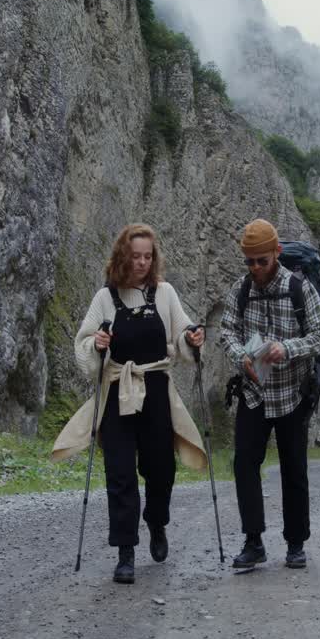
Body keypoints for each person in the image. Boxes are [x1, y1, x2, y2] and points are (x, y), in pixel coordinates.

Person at [52, 223, 207, 584]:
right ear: (123, 256)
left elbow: (183, 334)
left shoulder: (164, 293)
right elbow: (83, 344)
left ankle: (156, 521)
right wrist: (97, 345)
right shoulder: (104, 297)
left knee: (161, 468)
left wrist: (192, 338)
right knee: (119, 473)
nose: (141, 263)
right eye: (135, 256)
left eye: (147, 257)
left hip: (155, 389)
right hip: (117, 390)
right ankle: (125, 552)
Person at [218, 218, 320, 569]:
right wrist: (241, 357)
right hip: (254, 393)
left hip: (292, 394)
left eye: (261, 261)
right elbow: (227, 332)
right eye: (249, 261)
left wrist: (288, 348)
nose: (255, 268)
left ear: (277, 253)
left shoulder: (300, 288)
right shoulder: (240, 289)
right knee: (244, 464)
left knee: (293, 467)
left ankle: (296, 544)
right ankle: (253, 542)